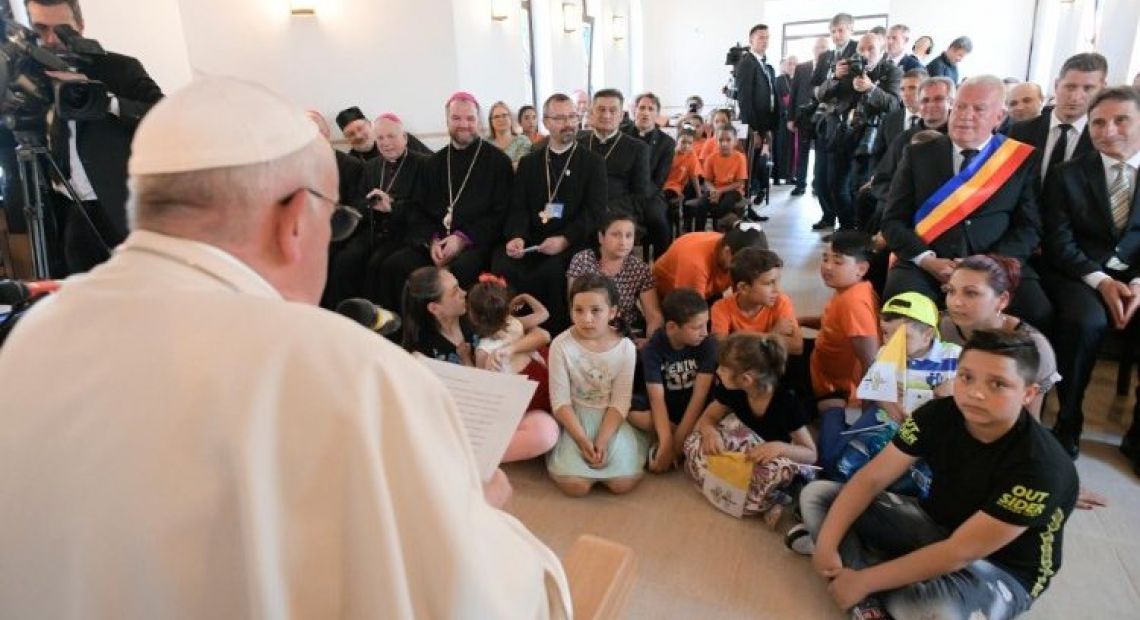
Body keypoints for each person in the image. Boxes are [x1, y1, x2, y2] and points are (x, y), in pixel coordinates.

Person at [0, 76, 570, 618]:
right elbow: (482, 598)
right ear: (297, 218)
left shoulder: (30, 339)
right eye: (335, 221)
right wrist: (478, 511)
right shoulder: (350, 370)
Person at [801, 330, 1078, 620]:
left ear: (1028, 394)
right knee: (818, 496)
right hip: (936, 525)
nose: (975, 393)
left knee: (931, 609)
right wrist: (828, 544)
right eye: (966, 377)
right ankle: (872, 591)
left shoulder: (1042, 467)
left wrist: (865, 580)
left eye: (998, 384)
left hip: (1001, 567)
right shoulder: (936, 414)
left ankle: (867, 577)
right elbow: (870, 479)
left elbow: (961, 551)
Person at [881, 75, 1050, 332]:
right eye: (960, 106)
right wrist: (927, 260)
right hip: (928, 263)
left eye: (979, 109)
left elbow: (1029, 228)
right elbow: (892, 221)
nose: (964, 115)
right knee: (903, 309)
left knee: (1036, 310)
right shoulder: (918, 153)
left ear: (999, 117)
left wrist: (990, 264)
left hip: (995, 265)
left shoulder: (1020, 159)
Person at [11, 0, 164, 276]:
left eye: (62, 30)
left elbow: (163, 115)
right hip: (64, 212)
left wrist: (103, 100)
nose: (51, 40)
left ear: (80, 27)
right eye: (40, 29)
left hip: (120, 208)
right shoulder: (24, 80)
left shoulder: (119, 68)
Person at [1042, 86, 1140, 466]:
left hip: (1135, 278)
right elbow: (1059, 241)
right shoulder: (1066, 175)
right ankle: (1069, 421)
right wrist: (1101, 280)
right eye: (1098, 122)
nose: (1107, 130)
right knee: (1083, 323)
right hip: (1079, 273)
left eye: (1121, 120)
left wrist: (1135, 284)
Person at [382, 92, 513, 306]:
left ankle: (459, 335)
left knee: (462, 268)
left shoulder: (498, 162)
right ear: (447, 121)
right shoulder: (433, 164)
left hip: (477, 242)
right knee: (395, 265)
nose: (464, 124)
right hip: (438, 242)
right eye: (456, 118)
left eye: (470, 118)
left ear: (478, 121)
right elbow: (417, 209)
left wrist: (462, 239)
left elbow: (502, 212)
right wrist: (431, 239)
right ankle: (406, 333)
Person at [495, 93, 608, 333]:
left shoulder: (593, 163)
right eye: (559, 118)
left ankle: (552, 335)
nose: (567, 123)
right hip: (533, 239)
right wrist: (517, 236)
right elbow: (518, 207)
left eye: (571, 117)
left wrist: (564, 239)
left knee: (553, 271)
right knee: (503, 263)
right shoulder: (529, 163)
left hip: (573, 240)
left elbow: (595, 212)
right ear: (545, 122)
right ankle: (511, 331)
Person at [817, 291, 959, 473]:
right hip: (886, 422)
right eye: (886, 333)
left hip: (930, 429)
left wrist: (956, 385)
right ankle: (833, 414)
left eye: (903, 337)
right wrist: (887, 401)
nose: (892, 343)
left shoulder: (954, 356)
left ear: (927, 334)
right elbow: (874, 391)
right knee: (836, 464)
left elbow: (977, 380)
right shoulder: (885, 353)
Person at [684, 333, 817, 526]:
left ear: (746, 380)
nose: (718, 372)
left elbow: (811, 454)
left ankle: (774, 499)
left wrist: (779, 448)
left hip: (769, 454)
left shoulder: (787, 402)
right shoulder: (730, 390)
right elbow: (708, 418)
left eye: (722, 368)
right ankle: (741, 492)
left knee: (776, 472)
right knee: (694, 442)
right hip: (743, 445)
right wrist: (709, 433)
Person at [546, 274, 649, 496]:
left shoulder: (625, 348)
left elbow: (620, 400)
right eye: (579, 310)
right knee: (575, 486)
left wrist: (601, 440)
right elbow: (560, 401)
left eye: (596, 310)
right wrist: (583, 441)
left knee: (622, 483)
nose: (586, 319)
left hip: (610, 418)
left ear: (612, 312)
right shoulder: (560, 345)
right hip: (575, 418)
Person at [324, 112, 425, 308]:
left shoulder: (419, 159)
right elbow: (359, 202)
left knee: (381, 264)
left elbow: (425, 202)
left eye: (391, 137)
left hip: (406, 230)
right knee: (345, 260)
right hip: (372, 229)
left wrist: (392, 206)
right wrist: (371, 202)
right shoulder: (366, 165)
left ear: (404, 137)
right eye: (381, 138)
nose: (386, 143)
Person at [465, 275, 562, 463]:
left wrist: (464, 357)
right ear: (506, 308)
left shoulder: (484, 351)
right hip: (543, 377)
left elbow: (481, 388)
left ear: (473, 316)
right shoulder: (515, 324)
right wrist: (525, 297)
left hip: (527, 394)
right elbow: (543, 315)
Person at [814, 31, 901, 231]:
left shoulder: (891, 71)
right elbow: (821, 95)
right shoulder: (846, 68)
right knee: (835, 185)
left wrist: (871, 89)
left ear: (882, 51)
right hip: (841, 134)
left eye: (871, 48)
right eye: (862, 48)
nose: (865, 52)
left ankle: (861, 233)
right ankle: (846, 228)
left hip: (870, 139)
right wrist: (835, 77)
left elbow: (895, 105)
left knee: (859, 188)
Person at [629, 289, 717, 473]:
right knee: (632, 412)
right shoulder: (653, 349)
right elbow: (656, 399)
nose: (705, 332)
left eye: (706, 324)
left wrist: (675, 450)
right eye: (696, 327)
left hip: (696, 408)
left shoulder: (707, 344)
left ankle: (679, 436)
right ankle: (673, 434)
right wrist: (667, 444)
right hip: (667, 410)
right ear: (671, 327)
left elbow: (699, 396)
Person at [579, 89, 670, 256]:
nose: (606, 115)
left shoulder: (638, 148)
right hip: (582, 209)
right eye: (601, 109)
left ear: (621, 115)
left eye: (613, 110)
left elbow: (640, 194)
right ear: (591, 113)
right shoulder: (579, 143)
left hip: (617, 210)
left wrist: (607, 208)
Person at [800, 231, 880, 412]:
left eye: (838, 261)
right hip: (819, 365)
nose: (827, 267)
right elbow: (835, 324)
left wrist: (865, 417)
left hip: (833, 387)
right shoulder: (849, 289)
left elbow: (871, 364)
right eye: (825, 258)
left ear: (861, 269)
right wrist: (802, 321)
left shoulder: (853, 304)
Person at [1010, 52, 1105, 190]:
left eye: (1088, 88)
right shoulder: (1020, 132)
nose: (1076, 97)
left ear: (1101, 90)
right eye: (1070, 87)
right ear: (1056, 85)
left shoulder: (1102, 141)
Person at [566, 211, 662, 341]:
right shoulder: (583, 260)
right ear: (601, 237)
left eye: (629, 236)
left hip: (627, 332)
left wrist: (651, 343)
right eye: (616, 235)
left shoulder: (640, 268)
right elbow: (574, 307)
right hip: (588, 328)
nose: (623, 242)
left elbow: (654, 315)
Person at [709, 247, 802, 354]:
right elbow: (721, 348)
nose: (777, 289)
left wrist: (737, 337)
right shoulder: (721, 308)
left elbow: (796, 346)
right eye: (769, 283)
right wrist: (771, 335)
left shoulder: (781, 301)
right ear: (743, 288)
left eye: (777, 281)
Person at [652, 220, 767, 301]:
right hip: (674, 297)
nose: (745, 272)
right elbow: (691, 313)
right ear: (727, 252)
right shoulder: (695, 263)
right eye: (744, 266)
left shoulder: (731, 250)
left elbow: (743, 300)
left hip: (708, 290)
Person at [735, 24, 779, 202]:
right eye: (761, 37)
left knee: (758, 166)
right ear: (751, 40)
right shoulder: (747, 63)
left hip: (763, 125)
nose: (765, 41)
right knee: (749, 168)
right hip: (752, 126)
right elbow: (744, 99)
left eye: (767, 37)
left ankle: (750, 208)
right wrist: (752, 129)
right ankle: (745, 211)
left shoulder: (764, 65)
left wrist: (767, 128)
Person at [401, 265, 478, 365]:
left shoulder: (475, 314)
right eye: (455, 292)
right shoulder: (424, 355)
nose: (464, 293)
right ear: (434, 308)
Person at [789, 36, 830, 196]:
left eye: (825, 48)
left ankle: (816, 184)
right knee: (802, 152)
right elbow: (793, 94)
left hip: (822, 117)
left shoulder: (831, 68)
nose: (821, 50)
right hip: (803, 117)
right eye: (819, 47)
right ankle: (800, 184)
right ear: (813, 49)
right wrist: (791, 118)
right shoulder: (801, 67)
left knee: (820, 153)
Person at [693, 125, 749, 231]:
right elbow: (707, 180)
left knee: (723, 206)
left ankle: (719, 232)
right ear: (715, 141)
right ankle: (698, 234)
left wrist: (720, 191)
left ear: (735, 141)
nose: (724, 143)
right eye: (720, 140)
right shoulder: (711, 158)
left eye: (728, 140)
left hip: (733, 190)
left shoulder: (740, 158)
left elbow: (740, 182)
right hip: (715, 189)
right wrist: (713, 190)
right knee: (701, 205)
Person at [626, 92, 676, 195]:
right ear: (635, 110)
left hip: (649, 194)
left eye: (651, 109)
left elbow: (659, 180)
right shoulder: (621, 134)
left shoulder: (667, 143)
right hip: (621, 192)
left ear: (657, 114)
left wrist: (640, 198)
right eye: (642, 108)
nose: (645, 112)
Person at [662, 129, 703, 234]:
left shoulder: (691, 155)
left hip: (678, 186)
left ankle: (686, 228)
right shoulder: (670, 154)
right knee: (667, 201)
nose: (686, 146)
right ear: (677, 141)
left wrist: (699, 195)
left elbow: (694, 176)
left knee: (683, 195)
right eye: (683, 142)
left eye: (690, 143)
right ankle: (669, 229)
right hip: (665, 185)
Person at [773, 56, 797, 186]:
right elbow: (779, 100)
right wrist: (786, 113)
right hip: (781, 120)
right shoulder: (779, 80)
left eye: (794, 64)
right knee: (780, 148)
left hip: (793, 119)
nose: (792, 66)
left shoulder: (796, 80)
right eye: (789, 63)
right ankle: (777, 176)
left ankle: (790, 175)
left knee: (792, 149)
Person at [488, 100, 533, 167]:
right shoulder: (485, 143)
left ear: (510, 118)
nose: (501, 119)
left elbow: (521, 166)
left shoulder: (522, 141)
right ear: (491, 121)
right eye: (496, 117)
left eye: (504, 115)